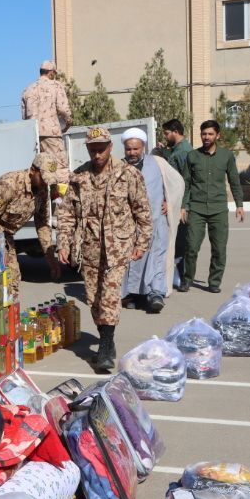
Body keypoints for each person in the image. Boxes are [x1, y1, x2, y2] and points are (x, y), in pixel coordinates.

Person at [57, 127, 152, 373]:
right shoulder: (79, 177)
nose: (97, 154)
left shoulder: (128, 175)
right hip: (88, 247)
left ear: (110, 147)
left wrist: (141, 244)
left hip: (117, 247)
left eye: (101, 149)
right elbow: (67, 214)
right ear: (87, 149)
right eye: (93, 150)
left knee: (109, 296)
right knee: (94, 298)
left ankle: (106, 347)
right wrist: (63, 243)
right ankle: (105, 336)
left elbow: (143, 213)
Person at [0, 153, 64, 302]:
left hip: (3, 232)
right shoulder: (10, 184)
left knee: (12, 276)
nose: (46, 184)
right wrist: (1, 249)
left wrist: (50, 258)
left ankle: (8, 313)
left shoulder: (42, 191)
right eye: (43, 178)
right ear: (33, 171)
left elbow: (43, 224)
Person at [121, 128, 184, 313]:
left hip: (156, 221)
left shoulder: (158, 163)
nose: (132, 153)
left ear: (144, 147)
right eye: (128, 149)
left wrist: (169, 200)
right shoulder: (118, 166)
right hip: (129, 225)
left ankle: (155, 293)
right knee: (131, 260)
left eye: (136, 149)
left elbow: (177, 182)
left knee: (156, 256)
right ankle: (131, 295)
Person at [178, 119, 244, 294]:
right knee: (191, 247)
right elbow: (186, 182)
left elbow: (234, 181)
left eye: (210, 134)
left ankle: (214, 281)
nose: (206, 137)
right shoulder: (192, 156)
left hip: (218, 209)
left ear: (217, 135)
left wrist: (239, 204)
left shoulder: (227, 156)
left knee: (219, 249)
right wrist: (183, 205)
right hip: (197, 209)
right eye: (204, 134)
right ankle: (187, 279)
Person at [159, 118, 193, 286]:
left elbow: (185, 180)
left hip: (179, 203)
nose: (165, 136)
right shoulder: (176, 150)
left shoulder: (184, 152)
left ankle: (181, 277)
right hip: (174, 202)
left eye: (166, 133)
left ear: (175, 131)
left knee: (180, 241)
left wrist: (182, 206)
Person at [21, 60, 72, 167]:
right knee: (59, 167)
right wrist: (68, 121)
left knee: (39, 171)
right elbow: (63, 108)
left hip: (32, 136)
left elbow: (24, 117)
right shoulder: (56, 85)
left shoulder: (28, 89)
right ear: (51, 72)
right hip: (51, 135)